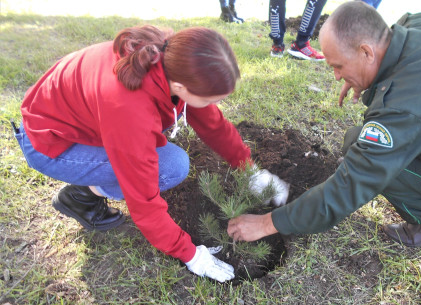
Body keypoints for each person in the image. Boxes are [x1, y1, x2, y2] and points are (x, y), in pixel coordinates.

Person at [228, 1, 421, 248]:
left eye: (339, 66)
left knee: (367, 155)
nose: (336, 76)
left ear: (367, 53)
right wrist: (367, 78)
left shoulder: (405, 107)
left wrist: (268, 223)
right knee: (358, 141)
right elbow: (397, 41)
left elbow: (349, 187)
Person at [14, 25, 289, 282]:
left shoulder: (172, 59)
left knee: (168, 161)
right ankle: (81, 196)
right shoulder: (128, 109)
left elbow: (212, 123)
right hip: (49, 143)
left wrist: (250, 170)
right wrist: (190, 254)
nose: (216, 105)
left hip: (79, 121)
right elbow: (143, 201)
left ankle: (84, 191)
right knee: (169, 167)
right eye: (213, 99)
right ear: (181, 89)